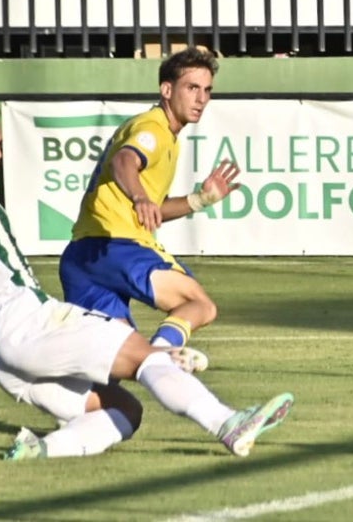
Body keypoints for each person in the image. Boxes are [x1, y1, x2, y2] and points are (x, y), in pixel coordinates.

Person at [0, 109, 292, 461]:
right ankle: (227, 422)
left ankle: (40, 450)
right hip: (27, 322)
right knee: (143, 356)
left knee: (123, 410)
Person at [60, 48, 240, 373]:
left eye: (207, 90)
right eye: (192, 88)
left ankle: (70, 418)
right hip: (118, 246)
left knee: (112, 369)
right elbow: (124, 161)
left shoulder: (166, 136)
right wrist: (140, 196)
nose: (201, 98)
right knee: (199, 305)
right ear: (167, 90)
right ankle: (160, 358)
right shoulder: (153, 129)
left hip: (82, 256)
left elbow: (153, 209)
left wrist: (200, 199)